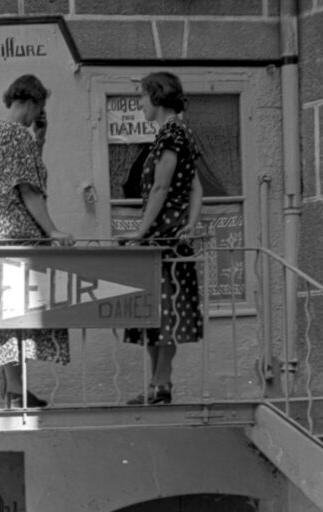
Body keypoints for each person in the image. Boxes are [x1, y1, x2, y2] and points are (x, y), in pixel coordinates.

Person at [0, 74, 74, 409]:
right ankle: (15, 388)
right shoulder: (15, 135)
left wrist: (40, 141)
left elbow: (21, 174)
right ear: (33, 102)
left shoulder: (0, 133)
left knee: (8, 314)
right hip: (19, 233)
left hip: (3, 232)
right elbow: (28, 189)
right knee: (18, 314)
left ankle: (13, 387)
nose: (40, 113)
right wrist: (53, 231)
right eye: (41, 107)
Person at [122, 71, 203, 405]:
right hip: (168, 236)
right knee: (156, 315)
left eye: (142, 96)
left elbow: (161, 186)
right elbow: (196, 187)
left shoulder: (171, 132)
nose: (141, 102)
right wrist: (192, 222)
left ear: (157, 97)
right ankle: (157, 385)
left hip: (162, 239)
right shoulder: (177, 132)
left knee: (164, 313)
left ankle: (161, 384)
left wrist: (141, 232)